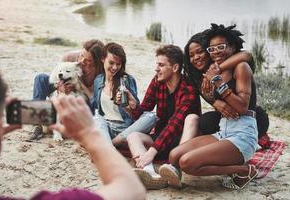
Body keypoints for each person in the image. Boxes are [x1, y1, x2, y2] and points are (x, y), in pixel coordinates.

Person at [0, 63, 146, 200]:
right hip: (79, 112)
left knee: (40, 110)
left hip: (87, 103)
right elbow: (132, 190)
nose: (84, 61)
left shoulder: (98, 76)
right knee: (42, 85)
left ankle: (37, 121)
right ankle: (39, 122)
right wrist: (89, 134)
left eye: (88, 60)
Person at [159, 24, 259, 190]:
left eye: (221, 47)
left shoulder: (241, 67)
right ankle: (233, 166)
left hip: (243, 135)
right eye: (212, 49)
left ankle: (244, 170)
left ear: (232, 47)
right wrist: (214, 95)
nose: (216, 52)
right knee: (174, 155)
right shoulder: (210, 72)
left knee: (186, 163)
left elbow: (242, 107)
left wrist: (218, 83)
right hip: (223, 131)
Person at [125, 45, 201, 189]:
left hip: (184, 139)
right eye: (157, 64)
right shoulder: (157, 82)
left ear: (175, 68)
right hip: (162, 137)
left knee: (192, 118)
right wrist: (133, 106)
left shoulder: (188, 89)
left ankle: (175, 168)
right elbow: (144, 112)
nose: (156, 69)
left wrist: (151, 152)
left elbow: (174, 125)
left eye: (161, 65)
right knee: (133, 136)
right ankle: (150, 174)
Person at [30, 39, 105, 140]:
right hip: (63, 87)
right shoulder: (69, 57)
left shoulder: (100, 70)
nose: (82, 61)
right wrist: (59, 87)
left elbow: (94, 96)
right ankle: (37, 124)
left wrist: (79, 85)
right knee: (40, 78)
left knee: (95, 103)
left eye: (88, 60)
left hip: (84, 95)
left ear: (97, 60)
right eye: (82, 56)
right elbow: (57, 76)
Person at [92, 42, 156, 147]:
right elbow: (96, 108)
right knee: (97, 117)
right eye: (111, 63)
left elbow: (136, 114)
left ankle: (111, 145)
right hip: (106, 129)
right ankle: (111, 144)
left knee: (151, 116)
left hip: (125, 131)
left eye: (118, 64)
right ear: (103, 59)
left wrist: (131, 105)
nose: (115, 67)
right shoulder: (98, 80)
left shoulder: (127, 80)